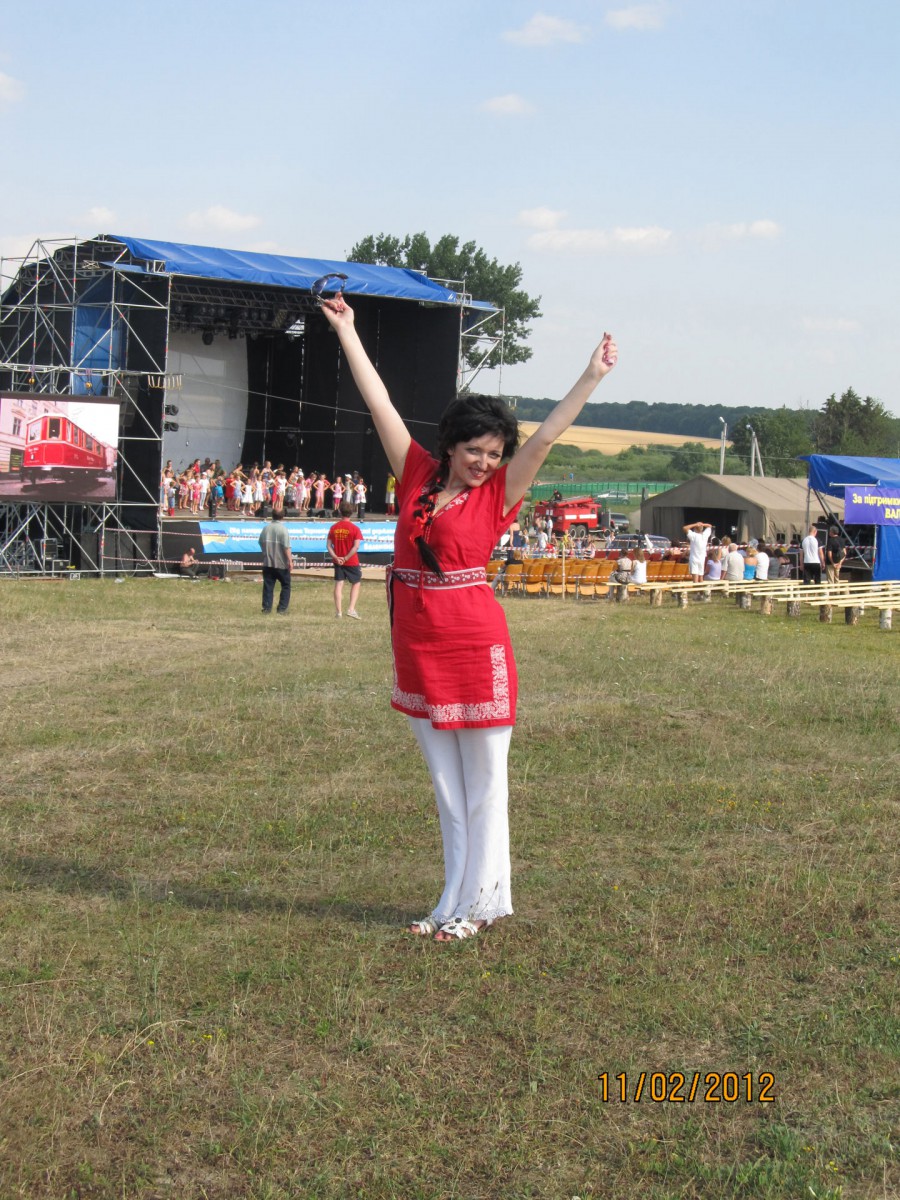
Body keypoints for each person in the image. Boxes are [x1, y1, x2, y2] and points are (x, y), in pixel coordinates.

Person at [319, 290, 617, 941]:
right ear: (451, 445)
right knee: (447, 791)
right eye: (474, 450)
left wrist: (590, 376)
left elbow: (547, 436)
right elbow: (380, 405)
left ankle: (480, 905)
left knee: (485, 784)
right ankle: (450, 899)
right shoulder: (416, 474)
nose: (485, 463)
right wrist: (346, 332)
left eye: (494, 452)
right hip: (418, 644)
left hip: (476, 645)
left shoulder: (501, 495)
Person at [327, 500, 364, 619]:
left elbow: (328, 545)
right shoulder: (355, 529)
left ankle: (338, 612)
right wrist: (346, 557)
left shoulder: (333, 527)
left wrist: (336, 557)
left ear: (339, 511)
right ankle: (351, 609)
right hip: (351, 561)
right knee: (356, 583)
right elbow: (356, 546)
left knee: (339, 584)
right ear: (352, 512)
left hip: (338, 561)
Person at [258, 509, 292, 614]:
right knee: (286, 585)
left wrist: (266, 552)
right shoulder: (283, 530)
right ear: (283, 516)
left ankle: (266, 608)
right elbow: (286, 547)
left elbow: (260, 542)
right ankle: (282, 609)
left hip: (268, 562)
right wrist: (290, 561)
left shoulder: (266, 528)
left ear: (272, 515)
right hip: (281, 563)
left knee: (268, 586)